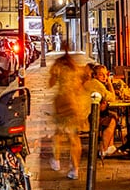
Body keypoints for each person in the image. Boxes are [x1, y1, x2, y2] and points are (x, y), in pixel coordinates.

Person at [49, 45, 90, 180]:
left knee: (58, 133)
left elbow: (51, 83)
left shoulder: (59, 66)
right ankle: (75, 168)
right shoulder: (77, 68)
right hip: (76, 104)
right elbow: (86, 78)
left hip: (62, 103)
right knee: (74, 137)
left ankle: (56, 160)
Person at [84, 63, 119, 157]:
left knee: (112, 115)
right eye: (101, 74)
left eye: (105, 74)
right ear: (94, 75)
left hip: (90, 113)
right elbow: (112, 98)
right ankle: (103, 149)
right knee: (111, 120)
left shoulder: (93, 83)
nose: (104, 77)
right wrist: (110, 83)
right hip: (89, 116)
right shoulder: (96, 84)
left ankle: (110, 146)